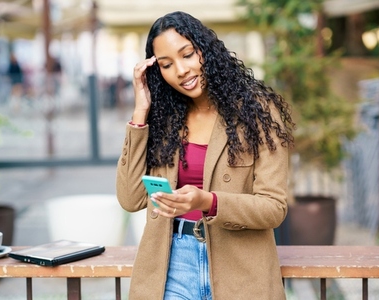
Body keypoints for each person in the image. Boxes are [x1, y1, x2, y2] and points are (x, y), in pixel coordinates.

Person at [116, 11, 295, 300]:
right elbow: (130, 197)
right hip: (172, 265)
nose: (181, 70)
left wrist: (207, 202)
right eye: (166, 64)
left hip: (240, 268)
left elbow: (274, 207)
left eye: (187, 54)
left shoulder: (256, 112)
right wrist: (140, 112)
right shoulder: (165, 118)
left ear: (206, 49)